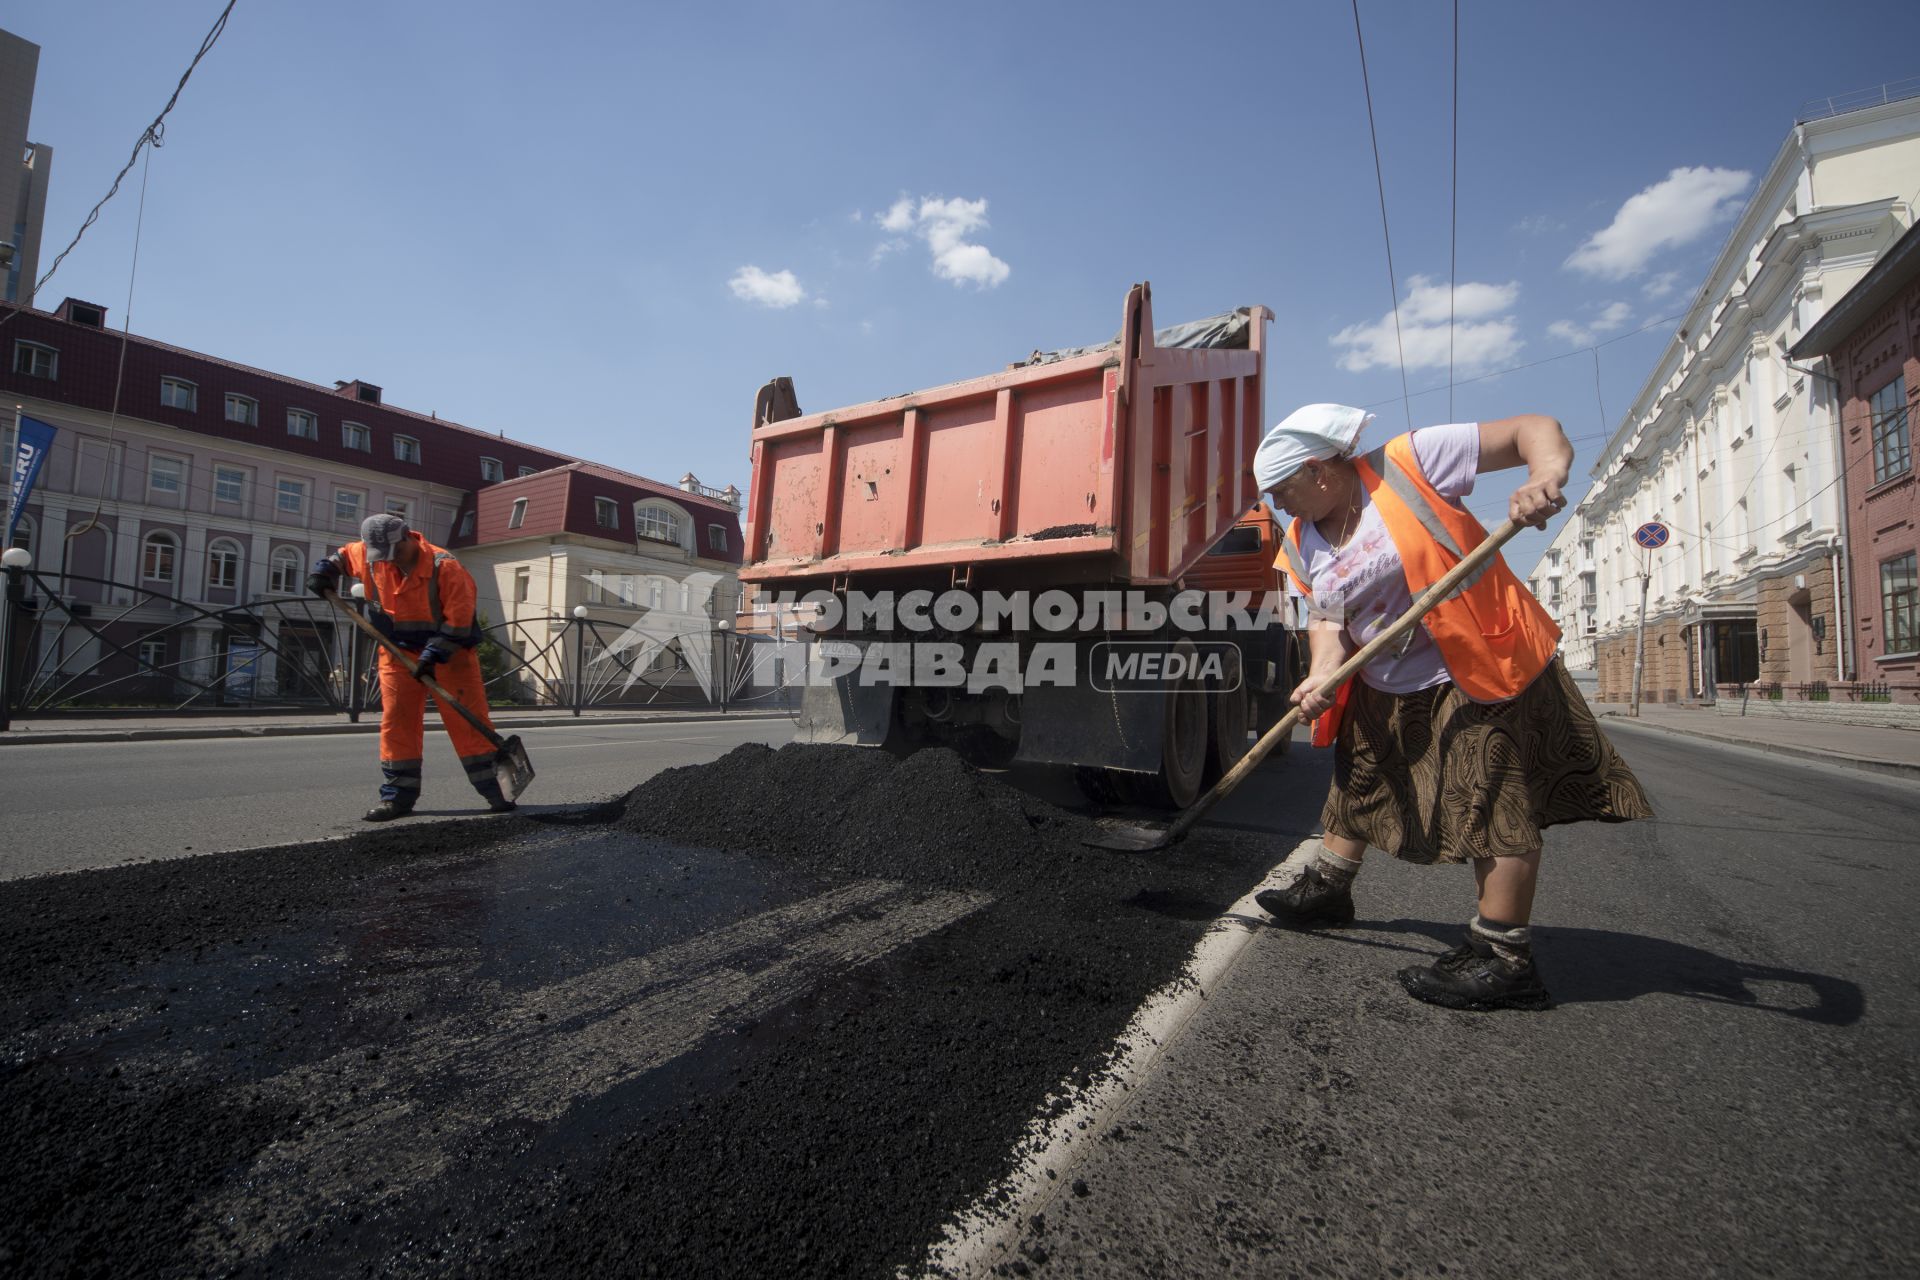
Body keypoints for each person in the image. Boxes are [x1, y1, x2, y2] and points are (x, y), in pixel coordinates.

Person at [1250, 404, 1651, 1011]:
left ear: (1319, 471)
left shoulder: (1409, 462)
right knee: (1359, 780)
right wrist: (1321, 676)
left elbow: (1533, 430)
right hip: (1385, 678)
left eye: (1281, 491)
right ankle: (1327, 888)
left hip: (1472, 667)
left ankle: (1503, 957)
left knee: (1490, 797)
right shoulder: (1303, 540)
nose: (1278, 506)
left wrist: (1542, 476)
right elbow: (1327, 620)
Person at [308, 513, 516, 821]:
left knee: (468, 724)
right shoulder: (369, 555)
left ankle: (498, 792)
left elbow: (459, 621)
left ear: (408, 537)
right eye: (383, 555)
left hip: (450, 654)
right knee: (397, 723)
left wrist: (432, 656)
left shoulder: (444, 566)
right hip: (397, 652)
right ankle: (397, 798)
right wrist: (324, 572)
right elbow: (340, 556)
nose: (390, 560)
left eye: (397, 552)